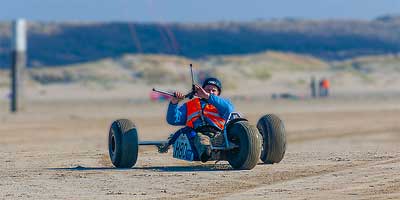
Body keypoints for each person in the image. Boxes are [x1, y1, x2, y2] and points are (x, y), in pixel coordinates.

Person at [158, 77, 234, 162]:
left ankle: (214, 151)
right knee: (199, 137)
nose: (210, 92)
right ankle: (206, 153)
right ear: (202, 90)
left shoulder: (223, 104)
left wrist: (208, 96)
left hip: (218, 134)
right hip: (196, 135)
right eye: (208, 90)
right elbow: (173, 119)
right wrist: (174, 103)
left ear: (218, 93)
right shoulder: (190, 104)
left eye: (214, 90)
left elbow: (229, 110)